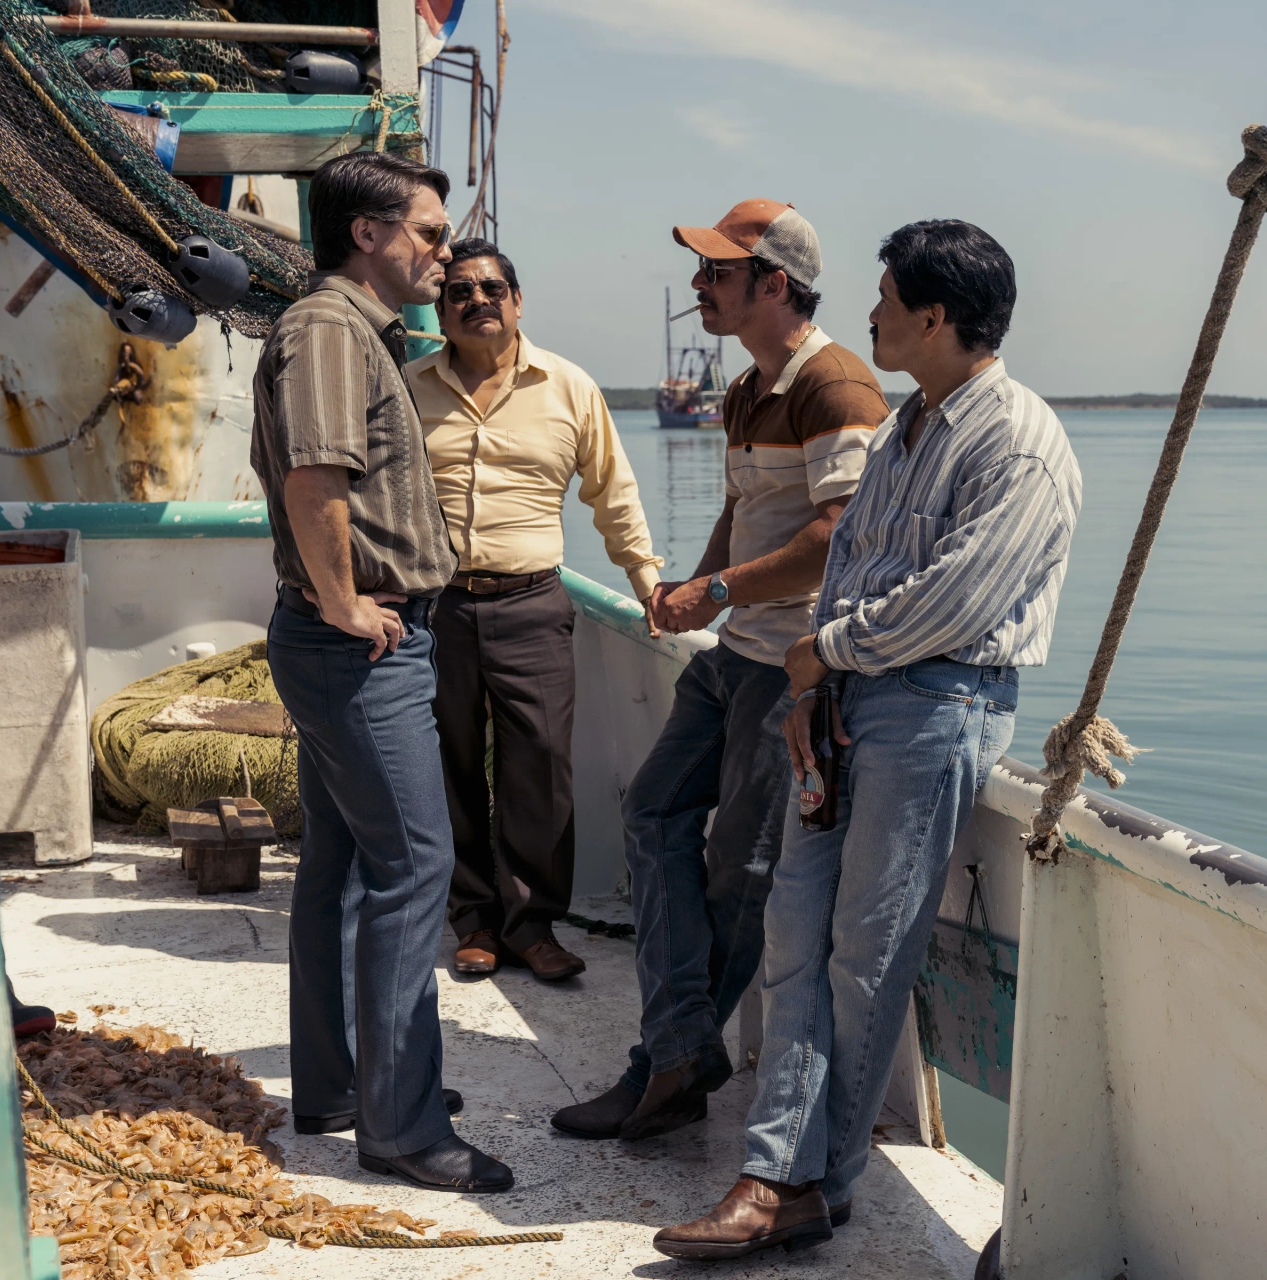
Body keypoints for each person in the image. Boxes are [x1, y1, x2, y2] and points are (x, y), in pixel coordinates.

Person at [653, 220, 1082, 1260]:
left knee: (864, 955)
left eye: (889, 298)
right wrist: (820, 676)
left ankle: (805, 1181)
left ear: (936, 316)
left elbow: (955, 598)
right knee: (798, 935)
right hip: (847, 702)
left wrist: (826, 651)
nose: (874, 312)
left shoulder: (1017, 440)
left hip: (936, 707)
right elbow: (853, 558)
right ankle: (776, 1172)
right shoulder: (909, 428)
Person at [551, 200, 887, 1143]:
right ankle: (682, 1048)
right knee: (652, 811)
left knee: (739, 868)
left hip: (794, 669)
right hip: (729, 657)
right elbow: (746, 515)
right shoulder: (748, 389)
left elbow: (839, 539)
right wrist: (695, 587)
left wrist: (721, 591)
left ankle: (665, 1064)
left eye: (719, 273)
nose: (700, 287)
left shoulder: (839, 391)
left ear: (774, 283)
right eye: (702, 272)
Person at [251, 151, 510, 1194]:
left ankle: (340, 1085)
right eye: (430, 232)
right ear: (368, 233)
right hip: (361, 641)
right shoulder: (327, 328)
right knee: (412, 868)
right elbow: (317, 475)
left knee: (345, 866)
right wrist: (346, 599)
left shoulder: (356, 331)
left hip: (350, 637)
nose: (445, 255)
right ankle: (403, 1127)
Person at [408, 238, 665, 983]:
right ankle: (474, 921)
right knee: (449, 764)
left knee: (542, 765)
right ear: (441, 309)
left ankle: (531, 923)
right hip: (437, 609)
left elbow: (612, 493)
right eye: (459, 291)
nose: (477, 300)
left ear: (518, 302)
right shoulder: (409, 387)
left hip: (531, 604)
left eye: (492, 288)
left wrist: (647, 582)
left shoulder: (569, 387)